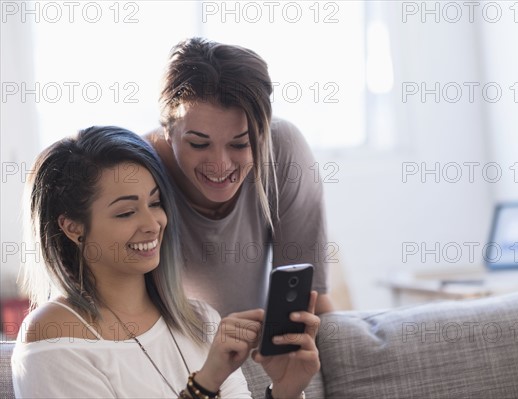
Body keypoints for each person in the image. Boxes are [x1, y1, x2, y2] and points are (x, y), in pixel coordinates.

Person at [12, 126, 321, 398]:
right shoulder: (54, 335)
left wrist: (285, 392)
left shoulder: (201, 320)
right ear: (72, 227)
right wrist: (206, 383)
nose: (153, 223)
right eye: (126, 212)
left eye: (155, 203)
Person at [146, 38, 334, 316]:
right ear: (168, 131)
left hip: (255, 352)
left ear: (263, 132)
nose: (220, 165)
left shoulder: (283, 149)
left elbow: (308, 304)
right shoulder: (137, 168)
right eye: (199, 144)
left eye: (240, 144)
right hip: (166, 354)